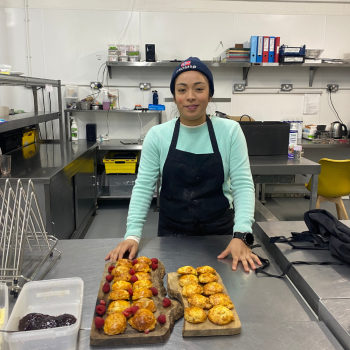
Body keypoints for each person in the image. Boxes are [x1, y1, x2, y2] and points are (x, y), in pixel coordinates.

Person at [105, 57, 262, 272]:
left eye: (199, 89)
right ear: (174, 96)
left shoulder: (230, 131)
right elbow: (143, 187)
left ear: (210, 94)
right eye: (182, 90)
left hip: (221, 236)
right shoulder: (158, 135)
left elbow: (243, 185)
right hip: (172, 233)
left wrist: (242, 235)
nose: (190, 97)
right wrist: (132, 235)